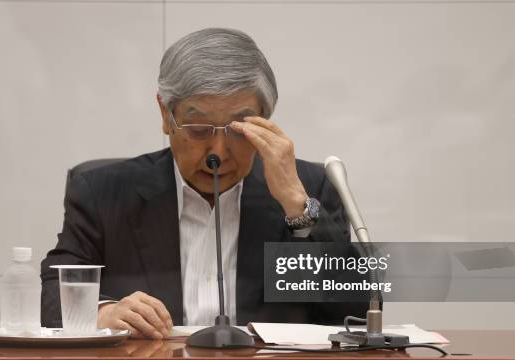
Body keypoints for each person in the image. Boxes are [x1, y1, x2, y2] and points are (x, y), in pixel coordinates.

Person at [41, 27, 366, 339]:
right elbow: (53, 295)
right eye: (198, 129)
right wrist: (102, 313)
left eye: (239, 129)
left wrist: (298, 209)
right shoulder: (103, 193)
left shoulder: (310, 188)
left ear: (266, 118)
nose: (219, 153)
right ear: (166, 116)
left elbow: (356, 314)